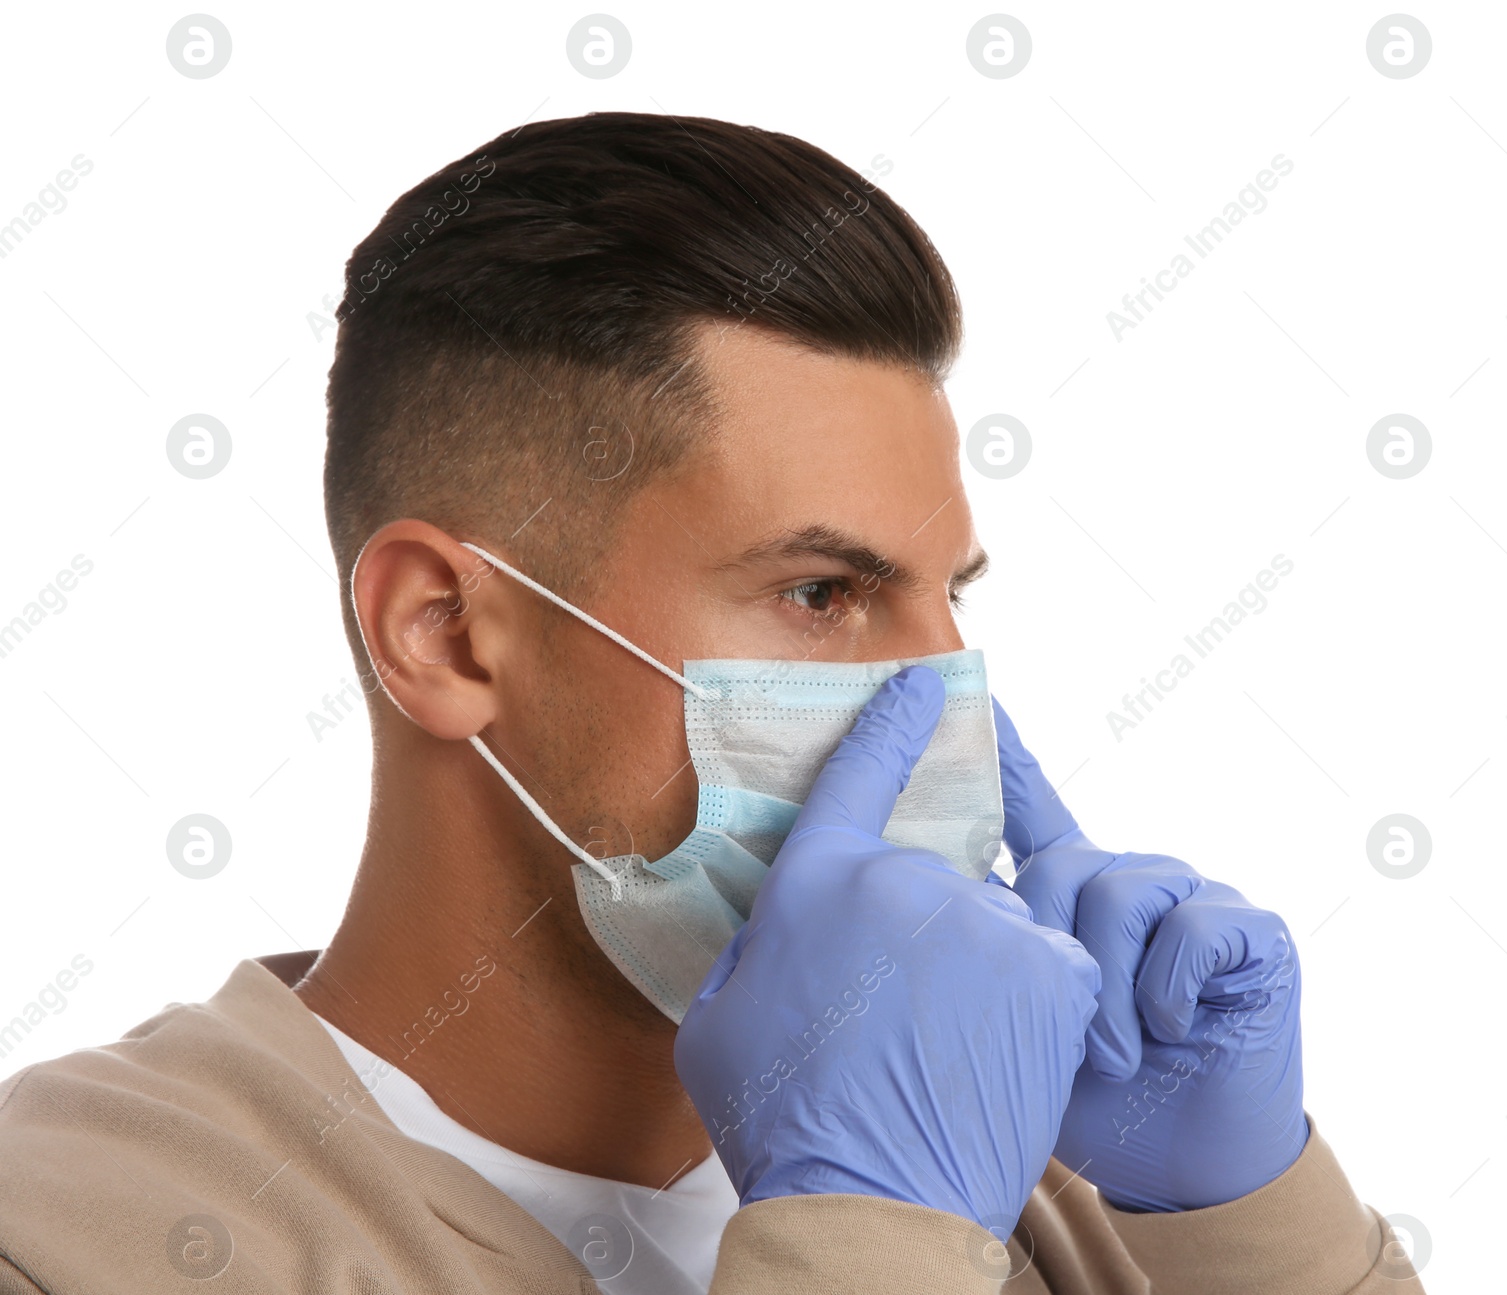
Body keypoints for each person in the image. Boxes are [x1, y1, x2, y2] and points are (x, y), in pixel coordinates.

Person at [0, 112, 1421, 1293]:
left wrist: (1249, 1234)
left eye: (952, 600)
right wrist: (873, 1234)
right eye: (823, 594)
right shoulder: (83, 1232)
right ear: (446, 635)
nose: (945, 708)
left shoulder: (1044, 1197)